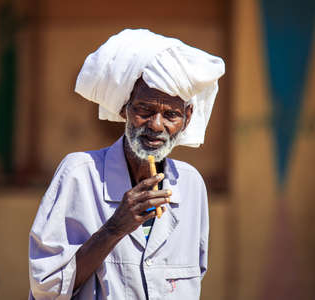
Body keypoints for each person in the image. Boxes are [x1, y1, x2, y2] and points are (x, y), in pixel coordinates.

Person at [28, 29, 225, 300]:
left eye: (171, 114)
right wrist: (114, 228)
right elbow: (46, 288)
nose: (156, 126)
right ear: (124, 108)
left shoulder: (190, 185)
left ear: (187, 117)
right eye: (144, 110)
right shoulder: (78, 174)